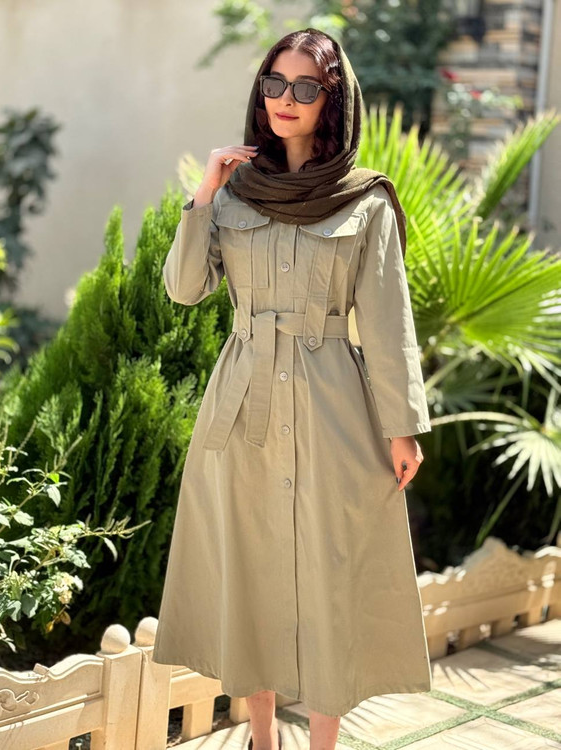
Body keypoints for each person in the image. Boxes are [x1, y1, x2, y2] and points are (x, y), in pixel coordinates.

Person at [152, 28, 433, 750]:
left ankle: (324, 742)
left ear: (332, 100)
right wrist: (204, 193)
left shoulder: (364, 201)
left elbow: (387, 318)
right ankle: (263, 736)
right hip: (241, 398)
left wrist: (402, 426)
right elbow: (184, 289)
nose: (286, 98)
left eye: (306, 87)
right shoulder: (234, 192)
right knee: (249, 566)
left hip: (334, 401)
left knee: (332, 571)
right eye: (275, 83)